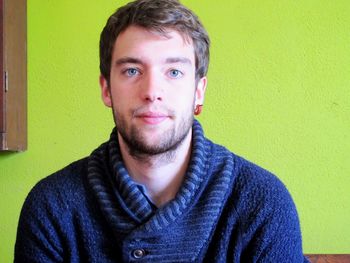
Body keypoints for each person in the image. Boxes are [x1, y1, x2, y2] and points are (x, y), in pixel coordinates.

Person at [15, 0, 309, 262]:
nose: (152, 91)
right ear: (106, 89)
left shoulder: (262, 203)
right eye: (132, 71)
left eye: (174, 72)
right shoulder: (52, 207)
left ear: (198, 92)